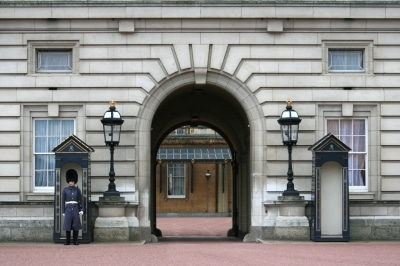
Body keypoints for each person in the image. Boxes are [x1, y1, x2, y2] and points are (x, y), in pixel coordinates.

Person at [62, 169, 83, 245]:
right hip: (68, 209)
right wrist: (63, 211)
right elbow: (62, 201)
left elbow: (80, 200)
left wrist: (81, 209)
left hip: (75, 209)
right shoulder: (65, 190)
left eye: (72, 181)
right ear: (68, 181)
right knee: (68, 225)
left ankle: (75, 241)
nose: (71, 182)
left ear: (74, 181)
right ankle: (67, 241)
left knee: (75, 225)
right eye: (70, 181)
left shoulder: (78, 190)